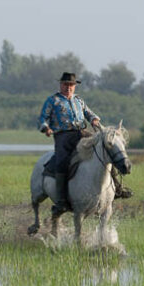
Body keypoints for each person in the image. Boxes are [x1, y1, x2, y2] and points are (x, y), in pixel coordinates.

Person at [38, 72, 131, 216]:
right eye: (66, 84)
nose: (68, 87)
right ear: (60, 85)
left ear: (75, 86)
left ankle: (117, 188)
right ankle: (61, 201)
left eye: (71, 85)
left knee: (105, 152)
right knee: (62, 161)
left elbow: (89, 113)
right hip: (63, 136)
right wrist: (46, 128)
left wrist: (93, 119)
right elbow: (43, 118)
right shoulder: (52, 101)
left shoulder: (79, 100)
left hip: (82, 133)